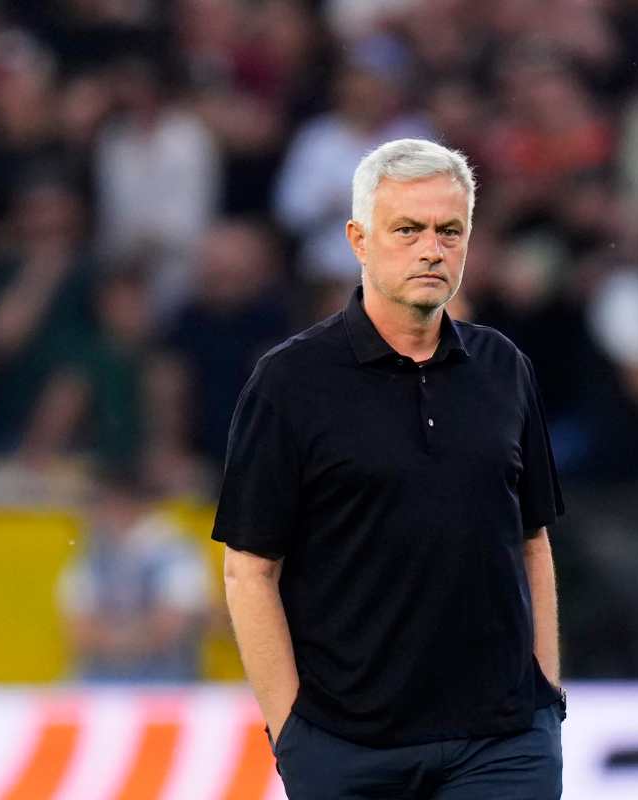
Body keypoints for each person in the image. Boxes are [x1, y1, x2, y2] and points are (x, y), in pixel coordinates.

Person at [214, 138, 566, 799]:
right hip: (349, 748)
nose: (432, 249)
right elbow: (250, 569)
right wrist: (293, 735)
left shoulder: (504, 368)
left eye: (449, 231)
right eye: (408, 229)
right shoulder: (289, 382)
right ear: (359, 240)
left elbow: (533, 540)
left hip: (504, 743)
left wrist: (546, 695)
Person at [58, 463, 211, 682]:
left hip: (166, 683)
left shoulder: (175, 548)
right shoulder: (91, 552)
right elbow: (78, 633)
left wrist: (109, 638)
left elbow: (172, 627)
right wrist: (135, 637)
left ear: (123, 503)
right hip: (99, 681)